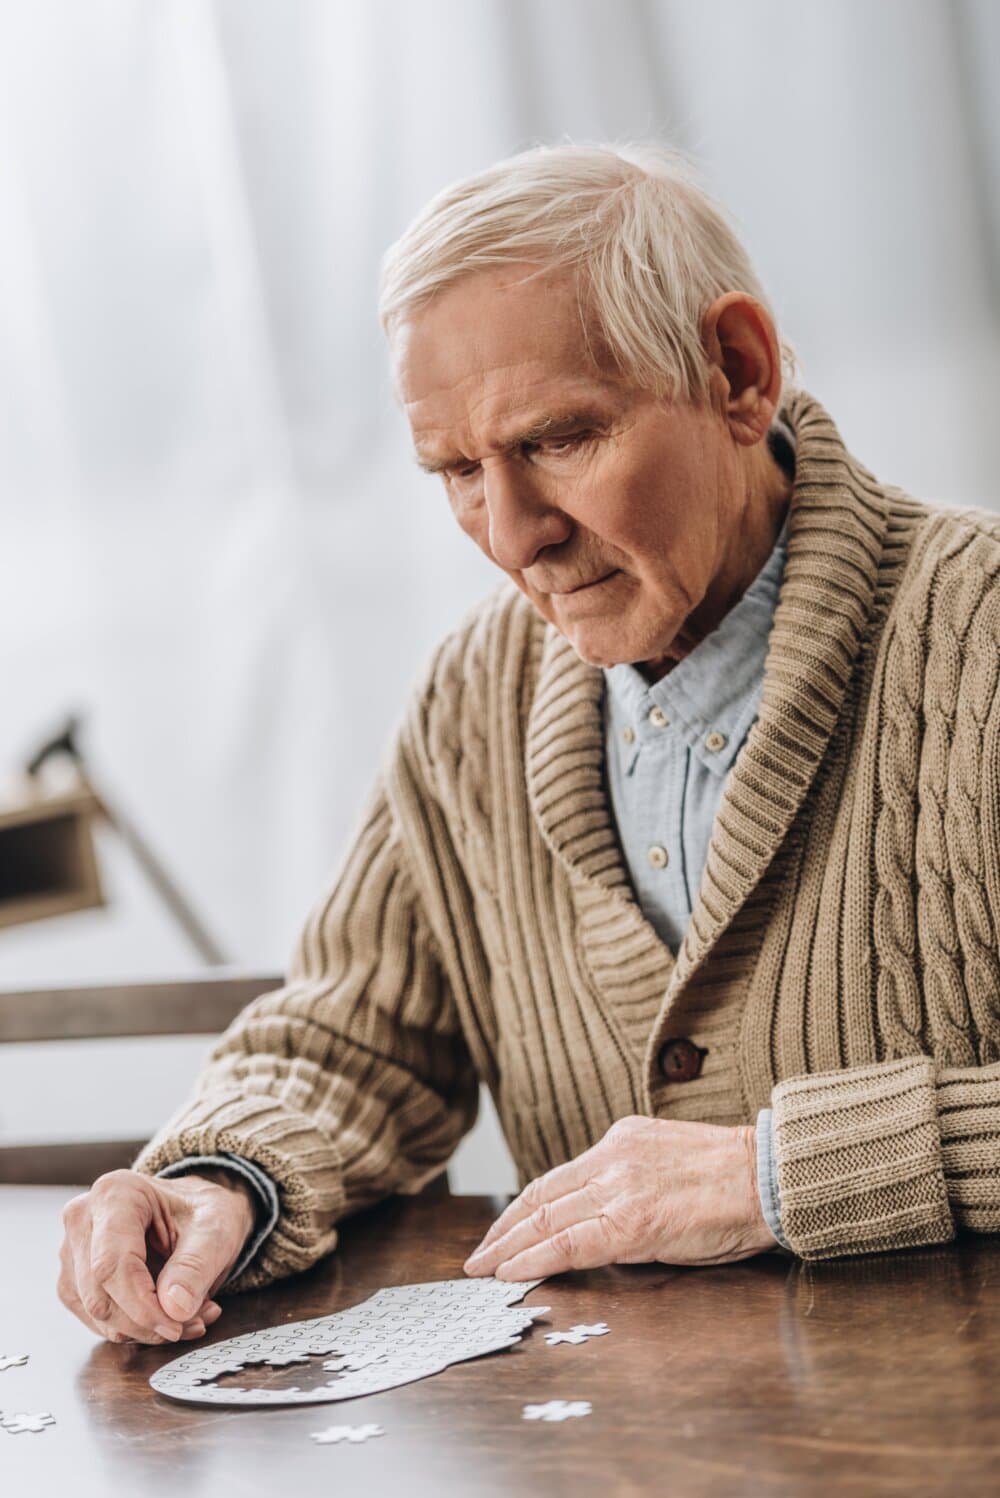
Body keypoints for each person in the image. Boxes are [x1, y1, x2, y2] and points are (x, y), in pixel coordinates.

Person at [58, 144, 1000, 1347]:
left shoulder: (972, 635)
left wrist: (777, 1175)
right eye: (456, 470)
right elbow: (357, 1032)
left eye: (559, 439)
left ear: (737, 372)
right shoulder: (474, 695)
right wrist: (221, 1179)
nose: (511, 536)